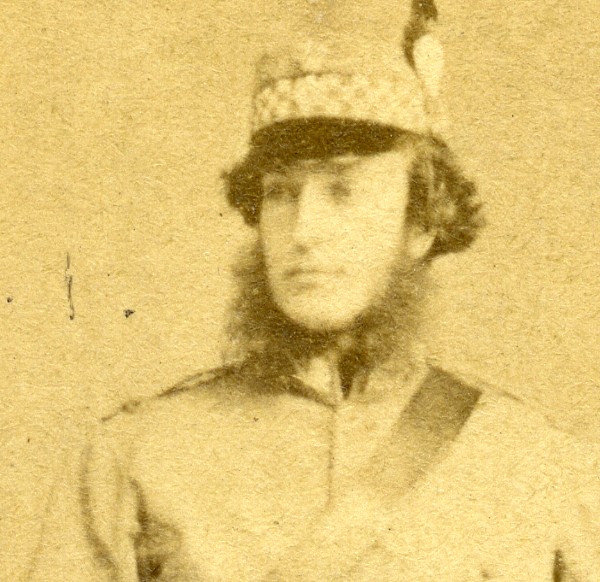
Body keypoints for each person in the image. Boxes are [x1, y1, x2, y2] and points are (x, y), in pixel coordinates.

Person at [31, 1, 600, 580]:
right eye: (281, 193)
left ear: (421, 223)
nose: (303, 231)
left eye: (343, 191)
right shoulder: (137, 455)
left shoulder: (537, 463)